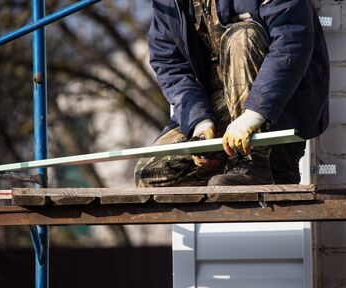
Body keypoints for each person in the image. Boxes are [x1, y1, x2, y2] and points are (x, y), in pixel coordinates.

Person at [135, 0, 329, 187]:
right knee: (151, 174)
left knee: (242, 36)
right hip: (220, 105)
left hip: (277, 105)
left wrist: (253, 116)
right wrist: (200, 123)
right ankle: (240, 167)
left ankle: (260, 161)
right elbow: (169, 62)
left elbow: (292, 41)